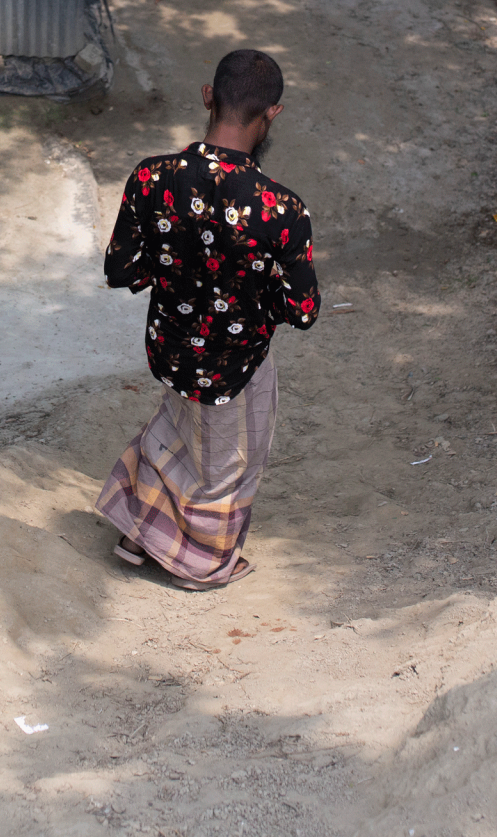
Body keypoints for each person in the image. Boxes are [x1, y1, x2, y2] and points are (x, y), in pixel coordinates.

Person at [94, 49, 319, 590]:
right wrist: (250, 296)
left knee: (174, 429)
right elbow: (302, 311)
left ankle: (137, 534)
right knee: (228, 463)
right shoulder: (281, 210)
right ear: (273, 114)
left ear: (207, 96)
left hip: (171, 346)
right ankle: (201, 563)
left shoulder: (151, 177)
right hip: (234, 364)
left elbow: (121, 269)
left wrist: (175, 272)